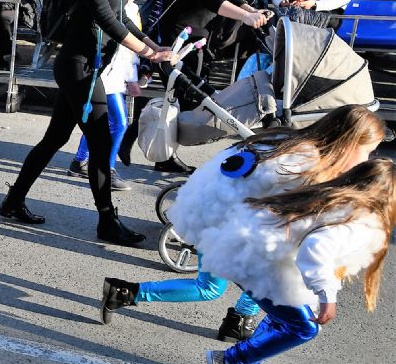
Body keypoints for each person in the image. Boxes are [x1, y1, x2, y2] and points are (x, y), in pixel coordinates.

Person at [101, 105, 387, 340]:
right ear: (349, 142)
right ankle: (127, 293)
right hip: (218, 220)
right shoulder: (305, 164)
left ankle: (239, 319)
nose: (369, 158)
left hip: (205, 207)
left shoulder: (291, 141)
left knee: (261, 272)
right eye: (368, 150)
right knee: (217, 286)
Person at [0, 0, 171, 246]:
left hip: (85, 66)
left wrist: (154, 45)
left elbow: (121, 16)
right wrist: (145, 53)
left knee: (54, 138)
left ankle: (13, 201)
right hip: (80, 66)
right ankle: (107, 222)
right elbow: (105, 19)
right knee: (99, 142)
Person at [204, 158, 395, 364]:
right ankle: (231, 360)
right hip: (255, 265)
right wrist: (327, 296)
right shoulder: (356, 218)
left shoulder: (330, 194)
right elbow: (316, 248)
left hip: (244, 255)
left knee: (284, 317)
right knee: (304, 327)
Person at [152, 0, 270, 174]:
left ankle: (162, 153)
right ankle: (157, 152)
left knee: (183, 97)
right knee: (179, 96)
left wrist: (253, 10)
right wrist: (244, 16)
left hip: (197, 40)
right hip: (176, 41)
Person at [69, 0, 144, 192]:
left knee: (102, 122)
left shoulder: (134, 10)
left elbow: (130, 53)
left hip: (118, 74)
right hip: (105, 72)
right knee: (119, 123)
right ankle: (106, 170)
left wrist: (133, 77)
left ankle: (80, 161)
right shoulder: (114, 8)